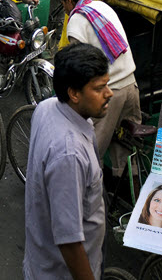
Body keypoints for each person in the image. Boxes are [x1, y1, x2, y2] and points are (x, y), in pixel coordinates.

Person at [23, 43, 111, 280]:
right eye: (99, 88)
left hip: (40, 258)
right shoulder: (68, 154)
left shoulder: (47, 107)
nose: (109, 93)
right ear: (74, 93)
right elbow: (70, 242)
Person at [58, 0, 139, 162]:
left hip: (110, 92)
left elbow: (78, 67)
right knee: (126, 151)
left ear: (69, 1)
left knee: (92, 153)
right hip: (132, 86)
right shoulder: (103, 7)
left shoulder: (77, 19)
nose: (64, 10)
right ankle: (129, 186)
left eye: (63, 5)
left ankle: (93, 190)